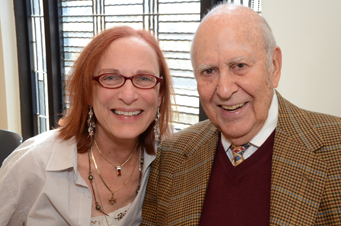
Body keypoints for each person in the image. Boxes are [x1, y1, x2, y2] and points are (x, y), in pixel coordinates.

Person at [141, 3, 341, 226]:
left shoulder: (335, 148)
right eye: (209, 71)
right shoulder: (172, 155)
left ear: (273, 66)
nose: (225, 90)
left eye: (239, 65)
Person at [0, 26, 174, 225]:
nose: (128, 96)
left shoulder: (171, 165)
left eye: (144, 78)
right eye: (110, 77)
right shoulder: (33, 164)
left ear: (160, 95)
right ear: (88, 92)